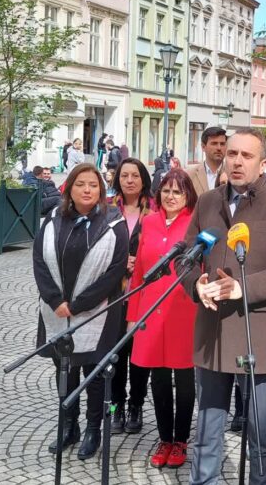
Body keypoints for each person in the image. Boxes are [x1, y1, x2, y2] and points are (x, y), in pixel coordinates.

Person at [184, 127, 266, 485]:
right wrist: (197, 285)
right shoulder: (208, 202)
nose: (237, 161)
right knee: (207, 431)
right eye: (232, 153)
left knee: (262, 434)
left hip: (259, 332)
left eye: (246, 155)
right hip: (213, 331)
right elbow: (185, 258)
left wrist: (243, 287)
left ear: (263, 163)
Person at [32, 163, 129, 460]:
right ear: (69, 189)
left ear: (101, 190)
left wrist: (78, 305)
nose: (87, 190)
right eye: (80, 184)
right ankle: (68, 425)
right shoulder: (53, 219)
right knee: (65, 369)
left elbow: (115, 269)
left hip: (97, 311)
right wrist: (55, 300)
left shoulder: (114, 221)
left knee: (95, 373)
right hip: (57, 311)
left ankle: (93, 429)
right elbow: (39, 260)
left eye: (93, 185)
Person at [126, 168, 198, 468]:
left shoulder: (195, 222)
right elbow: (139, 274)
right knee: (157, 379)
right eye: (166, 190)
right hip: (151, 309)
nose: (171, 196)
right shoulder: (149, 222)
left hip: (184, 311)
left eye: (177, 191)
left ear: (188, 195)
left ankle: (181, 440)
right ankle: (165, 438)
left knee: (184, 379)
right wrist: (133, 314)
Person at [106, 158, 154, 435]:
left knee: (138, 355)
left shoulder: (155, 211)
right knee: (115, 355)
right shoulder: (107, 210)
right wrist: (119, 261)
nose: (129, 180)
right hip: (112, 295)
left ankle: (136, 404)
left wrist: (142, 262)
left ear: (143, 179)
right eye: (124, 175)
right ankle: (116, 407)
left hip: (142, 293)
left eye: (135, 175)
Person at [187, 126, 227, 196]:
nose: (219, 148)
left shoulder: (232, 174)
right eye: (214, 143)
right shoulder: (190, 175)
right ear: (203, 147)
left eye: (222, 144)